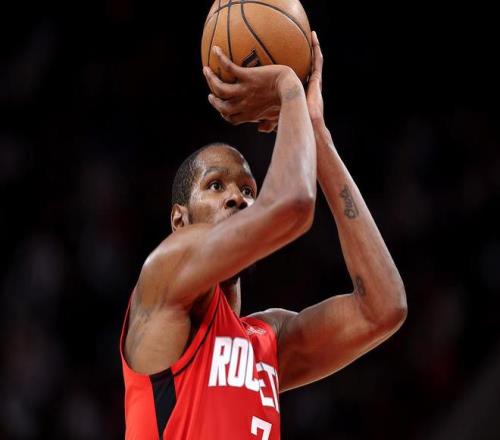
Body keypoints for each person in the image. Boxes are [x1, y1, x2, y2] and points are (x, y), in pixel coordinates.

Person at [120, 32, 407, 439]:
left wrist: (317, 134)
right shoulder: (162, 275)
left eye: (249, 190)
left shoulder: (267, 340)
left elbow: (384, 308)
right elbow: (292, 204)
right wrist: (287, 86)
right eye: (216, 185)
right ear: (179, 221)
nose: (237, 198)